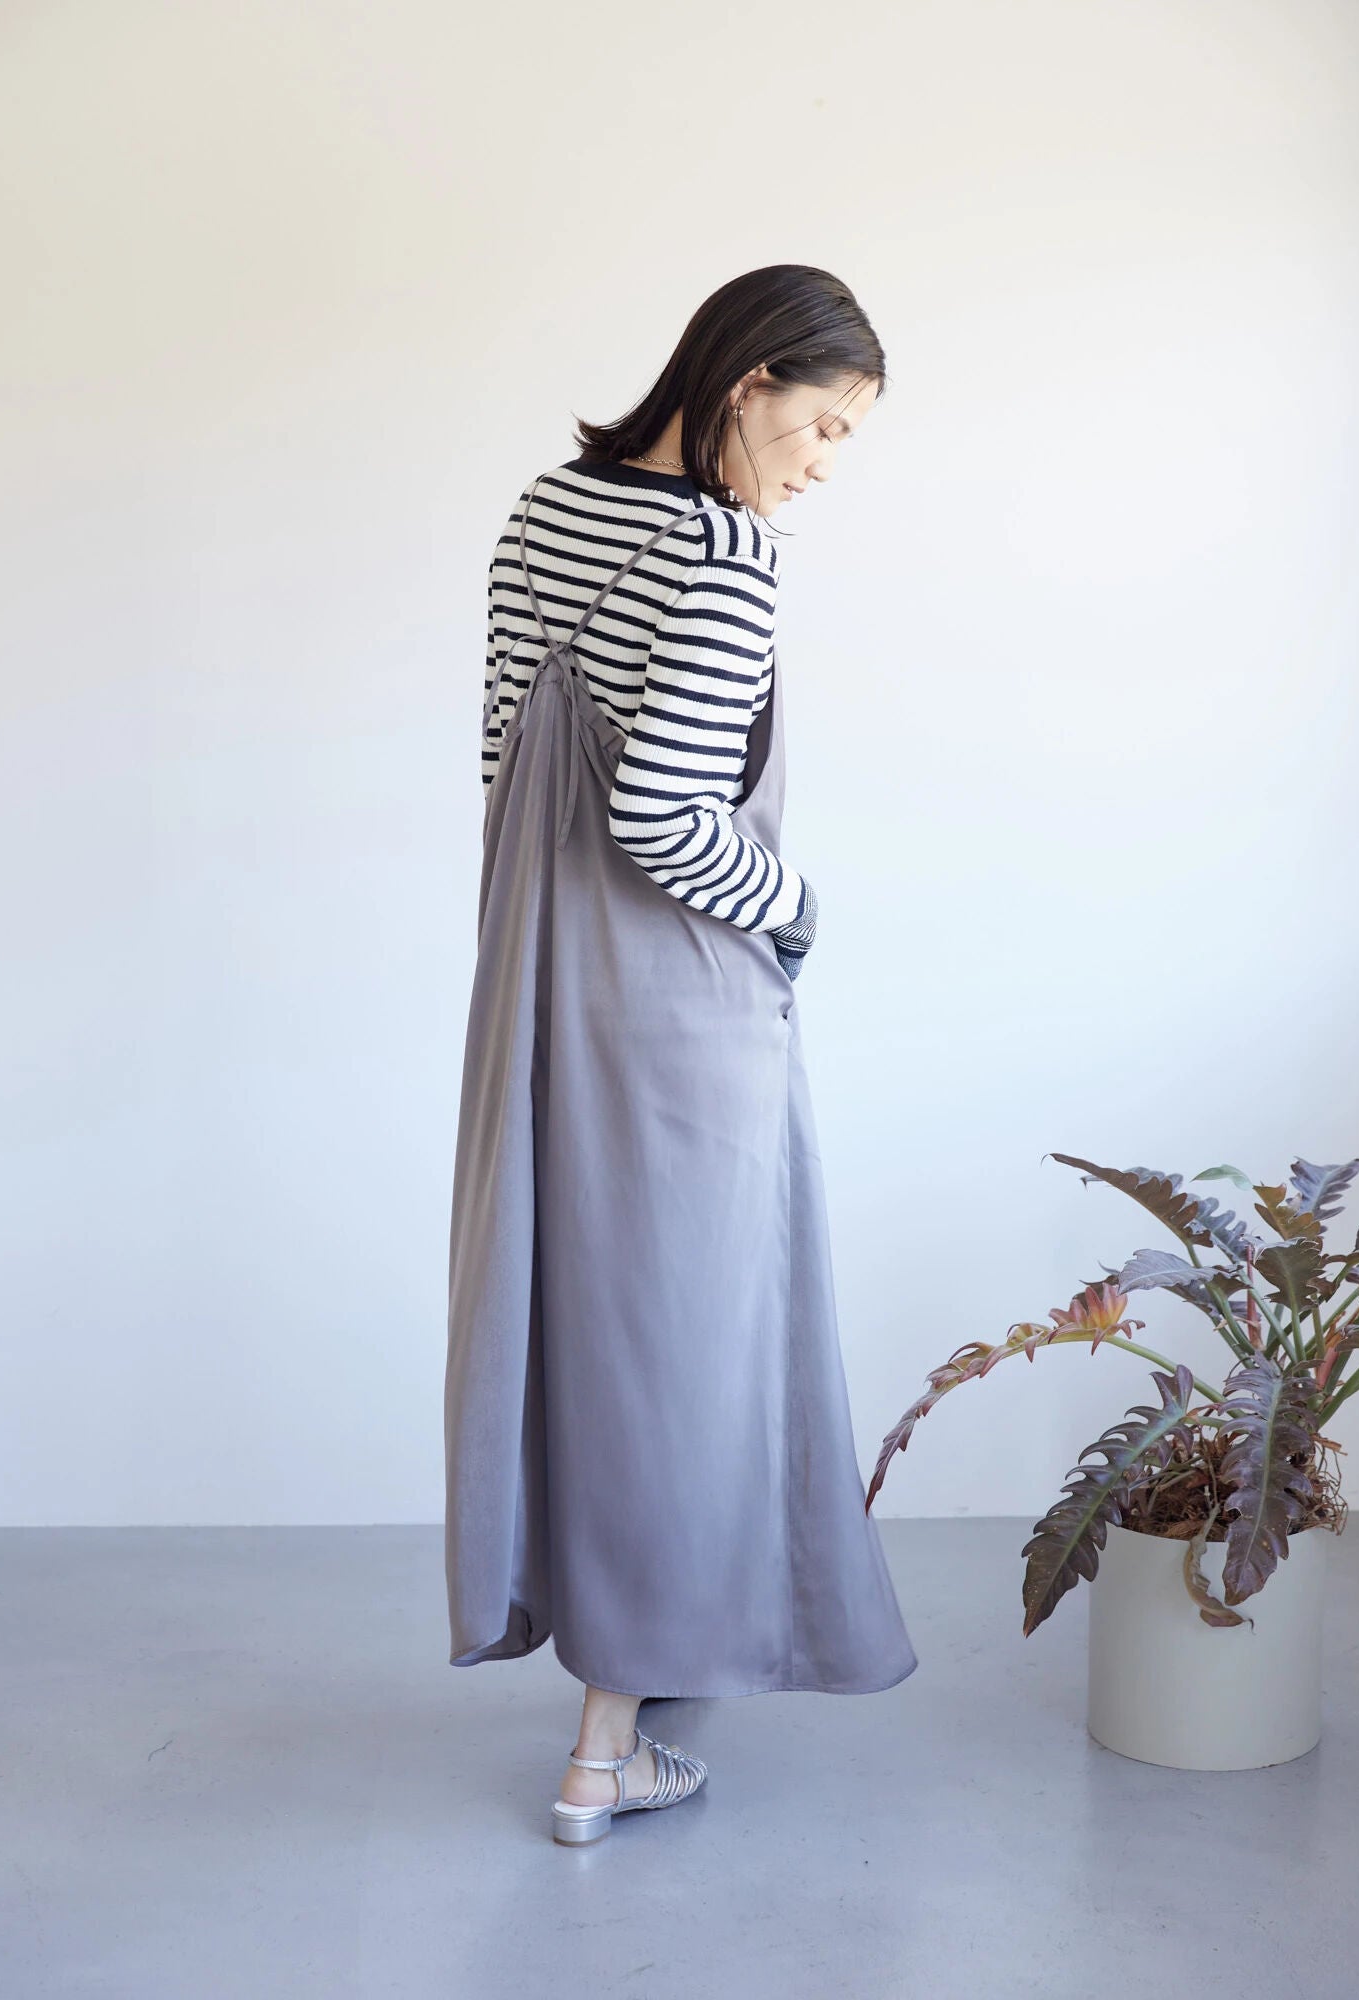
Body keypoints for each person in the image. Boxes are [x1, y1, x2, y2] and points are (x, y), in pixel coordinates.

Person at [444, 264, 917, 1845]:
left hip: (539, 976)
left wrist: (533, 954)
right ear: (749, 379)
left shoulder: (544, 510)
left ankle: (641, 1652)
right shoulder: (725, 554)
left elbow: (505, 764)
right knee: (684, 1345)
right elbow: (662, 816)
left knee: (584, 1323)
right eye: (825, 426)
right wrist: (796, 908)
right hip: (674, 998)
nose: (826, 466)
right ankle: (603, 1754)